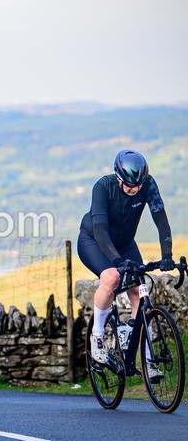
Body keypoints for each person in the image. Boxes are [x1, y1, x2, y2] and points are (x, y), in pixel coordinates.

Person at [78, 149, 173, 380]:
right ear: (118, 177)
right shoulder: (103, 187)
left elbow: (161, 220)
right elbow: (100, 230)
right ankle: (98, 338)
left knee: (140, 290)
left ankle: (147, 360)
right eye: (130, 186)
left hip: (125, 243)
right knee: (111, 278)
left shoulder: (147, 184)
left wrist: (167, 255)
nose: (135, 190)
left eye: (138, 185)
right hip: (94, 241)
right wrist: (117, 262)